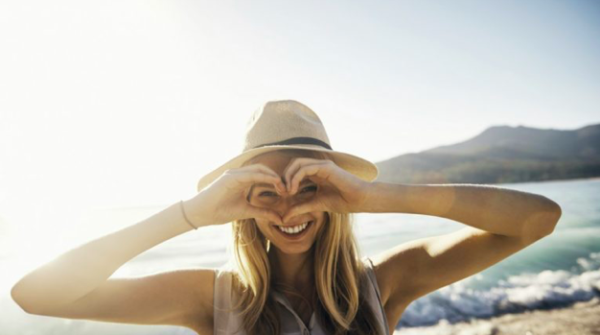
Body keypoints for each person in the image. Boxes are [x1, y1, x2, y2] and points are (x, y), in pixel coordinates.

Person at [11, 100, 563, 335]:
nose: (289, 206)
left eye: (309, 185)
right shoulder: (214, 300)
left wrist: (369, 196)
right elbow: (38, 295)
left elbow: (538, 218)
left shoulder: (385, 283)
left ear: (334, 188)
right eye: (264, 188)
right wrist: (190, 215)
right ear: (240, 203)